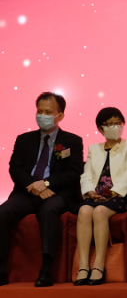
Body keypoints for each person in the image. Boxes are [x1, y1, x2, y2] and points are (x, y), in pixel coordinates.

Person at [0, 92, 84, 287]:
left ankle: (46, 269)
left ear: (60, 115)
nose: (42, 116)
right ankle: (1, 270)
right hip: (27, 192)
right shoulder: (24, 139)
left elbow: (75, 172)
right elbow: (15, 169)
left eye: (48, 112)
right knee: (2, 213)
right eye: (40, 111)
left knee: (49, 211)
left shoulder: (72, 141)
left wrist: (47, 184)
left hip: (56, 193)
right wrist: (35, 186)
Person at [76, 108, 127, 286]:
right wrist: (90, 192)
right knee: (84, 211)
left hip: (124, 195)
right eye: (110, 124)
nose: (115, 127)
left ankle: (99, 265)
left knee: (99, 212)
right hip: (97, 195)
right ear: (101, 128)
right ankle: (83, 265)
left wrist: (113, 193)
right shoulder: (94, 149)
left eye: (118, 123)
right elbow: (86, 175)